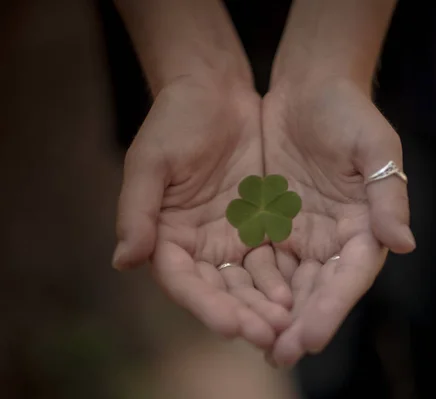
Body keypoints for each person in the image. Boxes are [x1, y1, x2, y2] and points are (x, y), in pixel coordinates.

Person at [111, 0, 415, 368]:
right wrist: (194, 70)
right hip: (172, 35)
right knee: (327, 360)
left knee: (418, 301)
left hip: (385, 40)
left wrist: (331, 66)